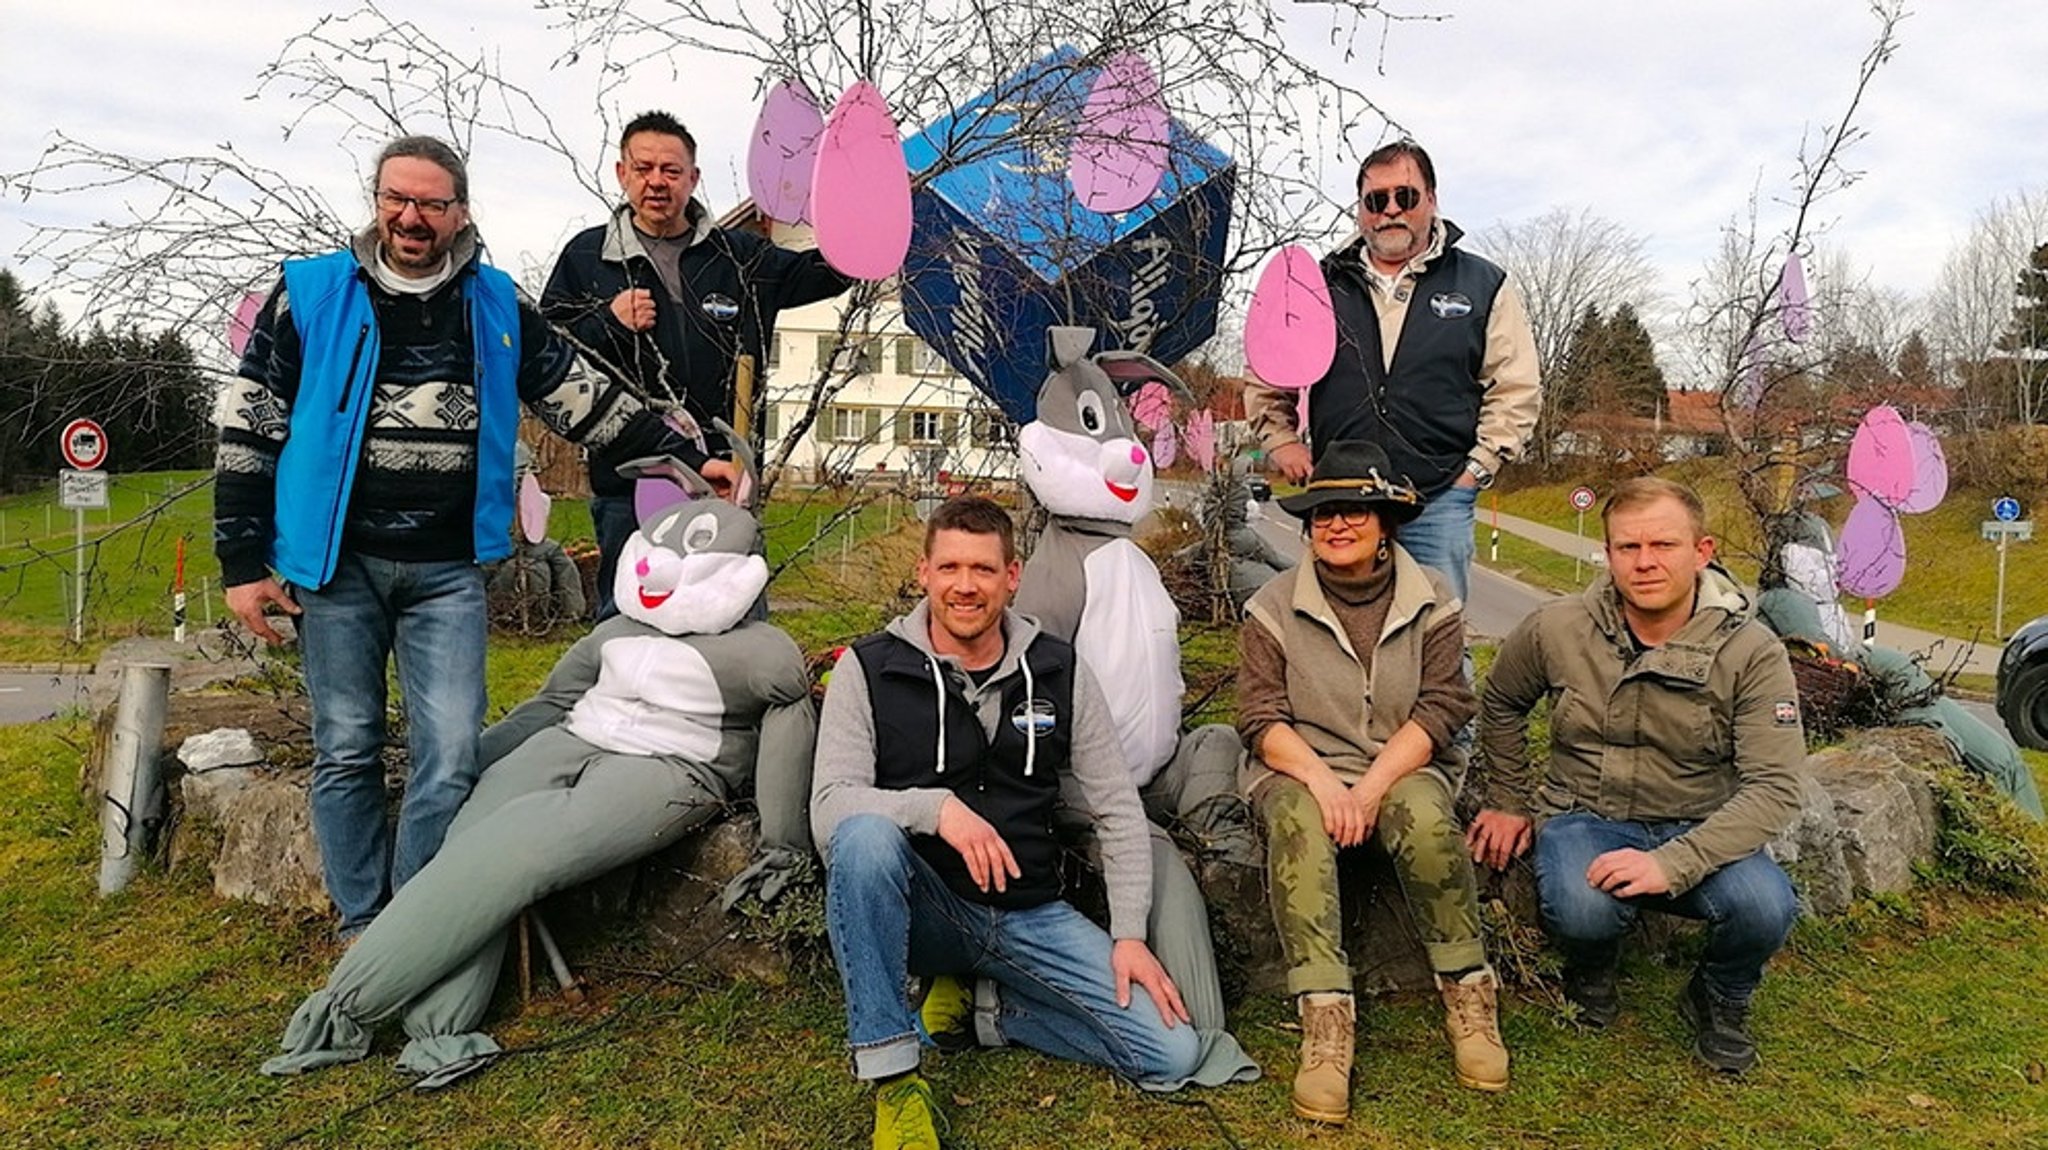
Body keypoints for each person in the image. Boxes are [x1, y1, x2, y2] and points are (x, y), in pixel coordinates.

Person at [215, 135, 712, 937]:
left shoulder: (495, 304)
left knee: (448, 757)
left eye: (430, 204)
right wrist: (242, 560)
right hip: (334, 567)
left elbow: (580, 395)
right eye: (395, 199)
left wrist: (692, 460)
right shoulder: (308, 294)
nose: (410, 218)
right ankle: (360, 923)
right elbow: (251, 425)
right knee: (346, 748)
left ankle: (413, 925)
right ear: (376, 201)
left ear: (460, 212)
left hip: (447, 571)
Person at [260, 488, 812, 1083]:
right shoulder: (615, 632)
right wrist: (473, 760)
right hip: (577, 736)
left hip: (673, 762)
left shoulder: (762, 655)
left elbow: (790, 716)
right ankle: (439, 1021)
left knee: (520, 851)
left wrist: (783, 846)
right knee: (471, 828)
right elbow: (552, 700)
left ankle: (348, 1008)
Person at [812, 496, 1215, 1150]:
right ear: (924, 573)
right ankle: (895, 1078)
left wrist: (1131, 935)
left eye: (982, 569)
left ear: (1012, 576)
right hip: (928, 914)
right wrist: (935, 809)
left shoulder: (1057, 667)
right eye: (949, 568)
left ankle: (989, 1013)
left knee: (1171, 1052)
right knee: (862, 838)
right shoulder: (869, 667)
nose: (964, 586)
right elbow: (828, 808)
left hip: (1031, 914)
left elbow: (1116, 806)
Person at [1467, 477, 1805, 1075]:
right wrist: (1510, 798)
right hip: (1586, 815)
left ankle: (1721, 994)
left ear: (1702, 552)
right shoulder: (1557, 627)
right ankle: (1591, 966)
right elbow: (1500, 702)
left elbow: (1775, 787)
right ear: (1608, 553)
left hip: (1700, 823)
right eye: (1627, 548)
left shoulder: (1751, 651)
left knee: (1765, 906)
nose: (1644, 563)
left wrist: (1670, 864)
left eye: (1663, 546)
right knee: (1581, 906)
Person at [1237, 440, 1507, 1124]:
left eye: (1355, 511)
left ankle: (1467, 994)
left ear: (1385, 522)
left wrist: (1371, 787)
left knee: (1420, 815)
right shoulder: (1270, 606)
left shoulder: (1434, 601)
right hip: (1297, 765)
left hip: (1404, 762)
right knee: (1297, 821)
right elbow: (1258, 716)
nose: (1337, 525)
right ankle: (1325, 1020)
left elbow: (1444, 706)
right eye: (1323, 512)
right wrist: (1328, 787)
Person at [542, 109, 853, 619]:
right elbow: (551, 354)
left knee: (733, 618)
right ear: (622, 174)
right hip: (631, 480)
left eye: (671, 170)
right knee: (628, 620)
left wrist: (865, 220)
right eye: (643, 169)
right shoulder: (586, 258)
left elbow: (824, 272)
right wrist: (608, 322)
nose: (657, 182)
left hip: (726, 479)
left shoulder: (739, 256)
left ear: (693, 177)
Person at [1242, 139, 1540, 605]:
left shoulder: (1483, 285)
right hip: (1341, 497)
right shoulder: (1317, 284)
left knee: (1437, 634)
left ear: (1432, 200)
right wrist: (1280, 439)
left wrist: (1478, 467)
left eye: (1406, 196)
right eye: (1376, 200)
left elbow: (1515, 385)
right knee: (1335, 633)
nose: (1391, 211)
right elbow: (1267, 367)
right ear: (1361, 209)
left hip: (1438, 495)